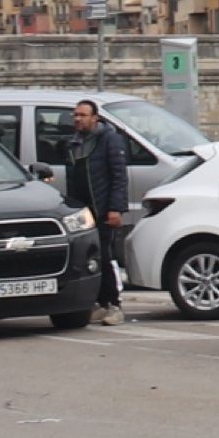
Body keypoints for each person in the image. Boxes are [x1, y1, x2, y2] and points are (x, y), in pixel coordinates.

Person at [63, 98, 134, 317]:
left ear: (95, 118)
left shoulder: (109, 140)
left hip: (103, 209)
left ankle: (113, 304)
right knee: (87, 257)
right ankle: (98, 302)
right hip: (83, 212)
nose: (77, 119)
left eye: (82, 115)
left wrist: (115, 209)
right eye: (75, 115)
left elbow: (119, 177)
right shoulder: (73, 143)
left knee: (104, 255)